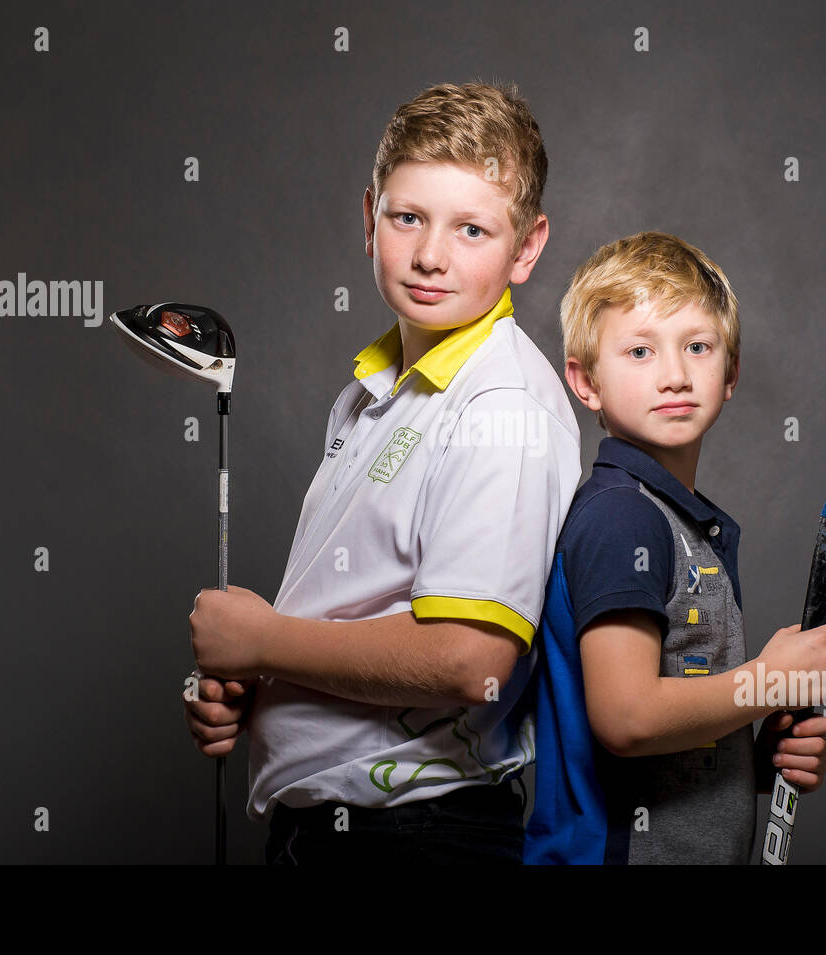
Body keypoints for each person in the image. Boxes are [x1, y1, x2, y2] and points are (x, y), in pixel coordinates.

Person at [182, 81, 581, 865]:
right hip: (331, 837)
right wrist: (250, 681)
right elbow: (351, 608)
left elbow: (470, 658)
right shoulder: (373, 391)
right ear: (370, 219)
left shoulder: (502, 402)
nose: (431, 255)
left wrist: (265, 640)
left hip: (417, 838)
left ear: (526, 248)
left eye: (472, 228)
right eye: (408, 218)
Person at [524, 231, 826, 864]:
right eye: (640, 351)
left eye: (697, 346)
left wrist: (749, 762)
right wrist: (765, 683)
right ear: (585, 381)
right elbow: (627, 717)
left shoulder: (673, 520)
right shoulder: (624, 517)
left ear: (730, 373)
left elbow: (668, 734)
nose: (674, 374)